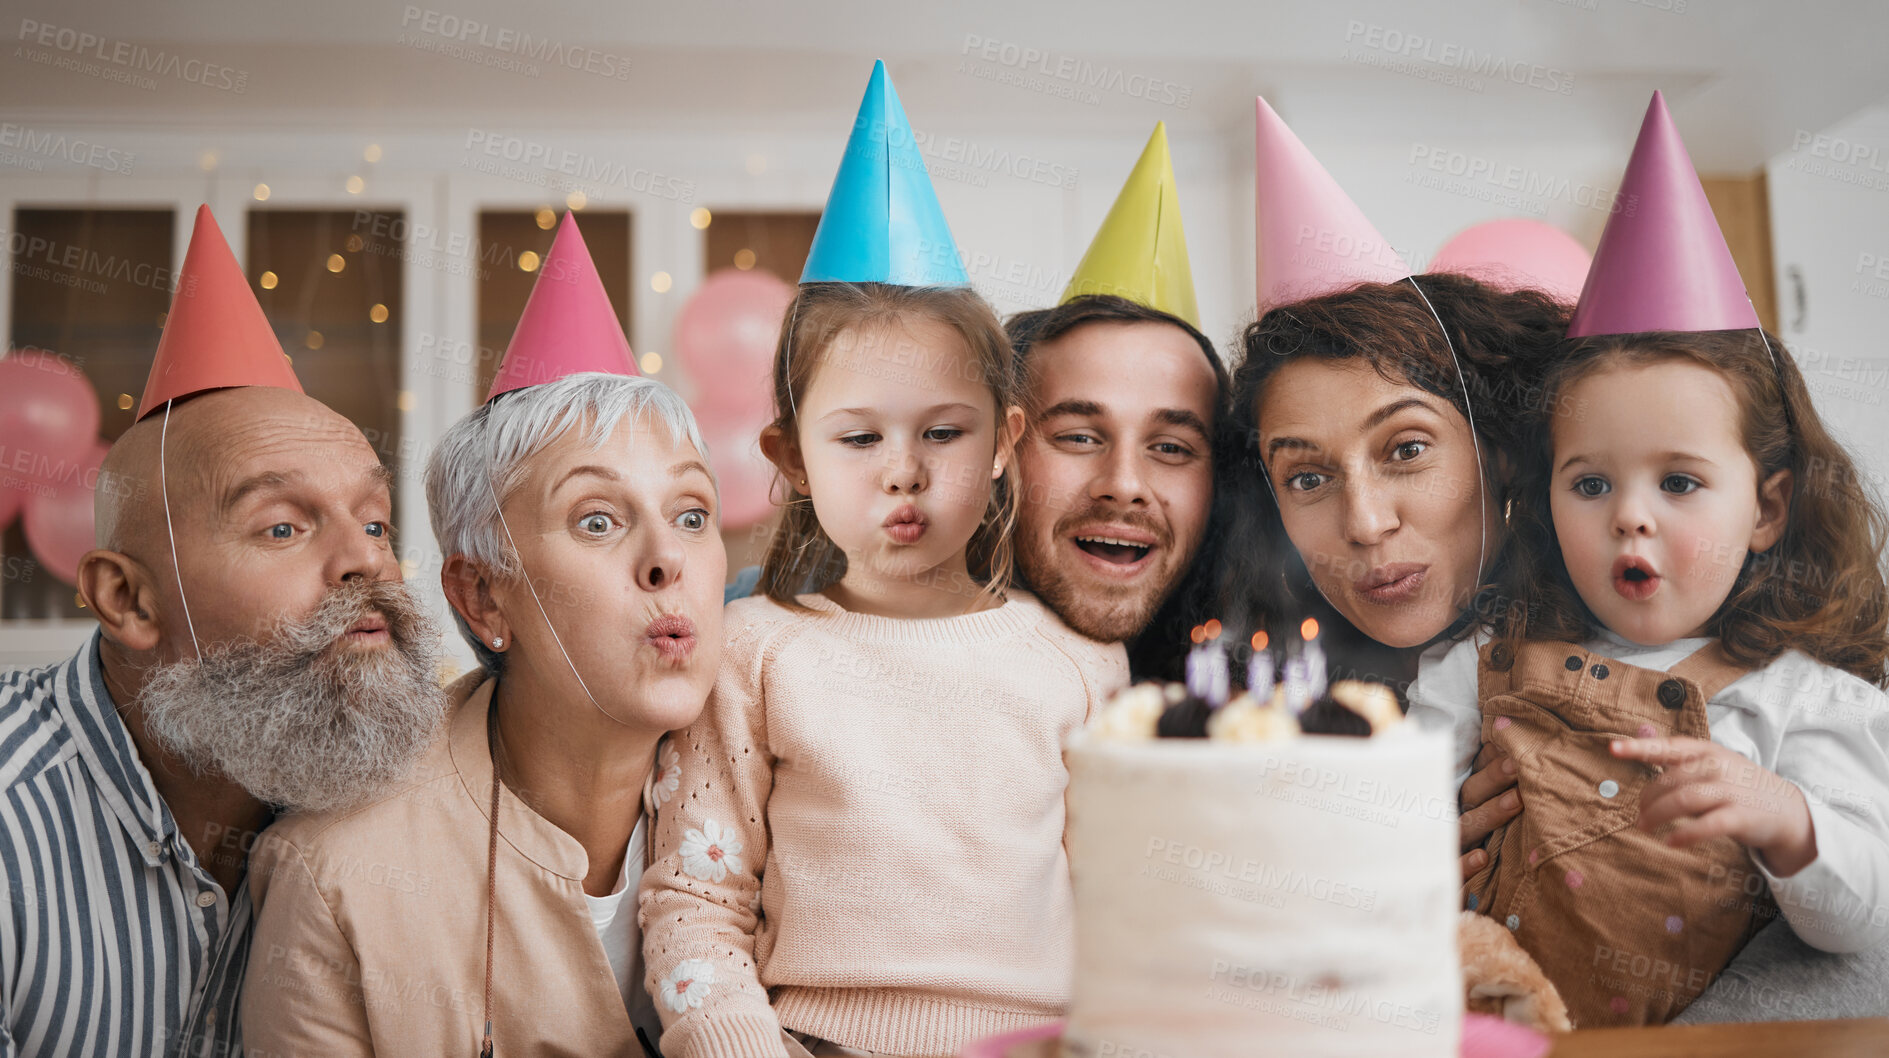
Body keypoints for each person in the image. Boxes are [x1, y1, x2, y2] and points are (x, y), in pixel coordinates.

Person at [641, 63, 1127, 1058]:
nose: (903, 474)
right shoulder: (751, 650)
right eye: (858, 439)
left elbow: (1123, 909)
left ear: (1002, 443)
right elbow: (695, 896)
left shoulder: (1080, 662)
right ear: (790, 459)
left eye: (942, 434)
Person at [1408, 92, 1889, 1026]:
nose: (1630, 519)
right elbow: (1387, 816)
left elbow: (1860, 924)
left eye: (1678, 483)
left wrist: (1788, 822)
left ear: (1769, 507)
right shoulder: (1480, 664)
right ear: (1544, 500)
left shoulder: (1804, 699)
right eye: (1590, 485)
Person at [241, 216, 721, 1055]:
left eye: (690, 513)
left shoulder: (801, 788)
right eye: (599, 520)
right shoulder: (336, 874)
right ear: (483, 597)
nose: (666, 561)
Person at [0, 206, 444, 1058]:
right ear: (128, 600)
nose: (367, 566)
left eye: (377, 524)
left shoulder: (381, 792)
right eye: (283, 527)